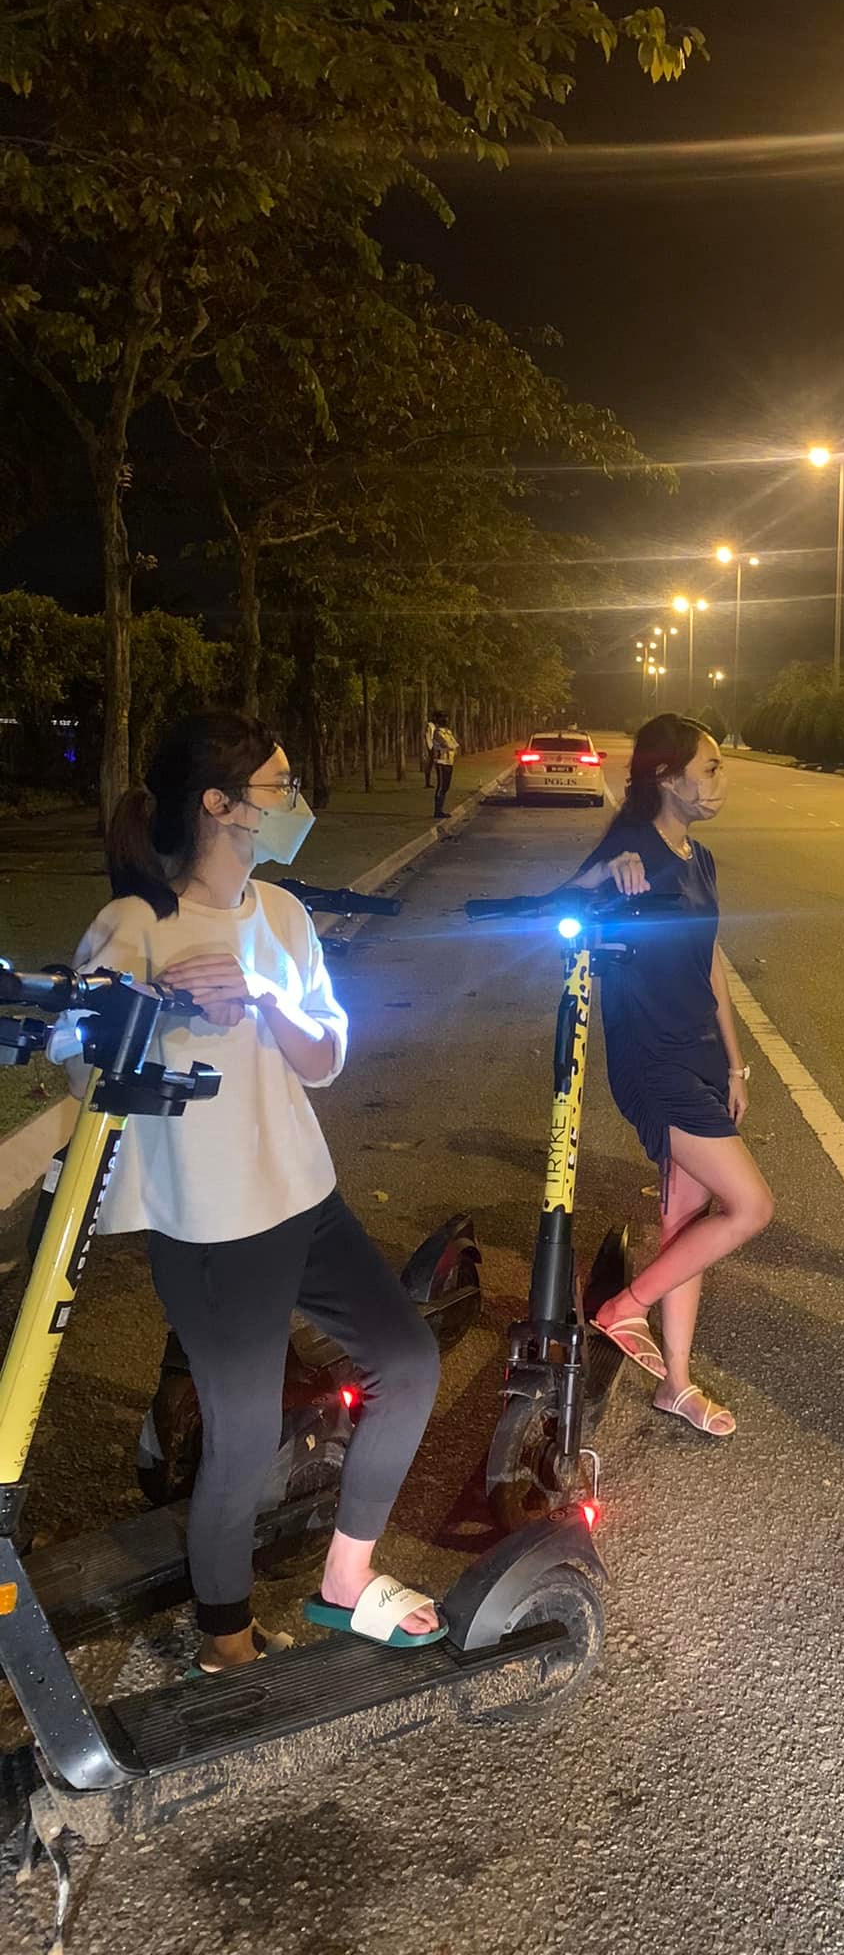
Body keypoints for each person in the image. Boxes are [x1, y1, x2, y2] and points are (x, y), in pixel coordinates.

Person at [70, 711, 444, 1671]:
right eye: (279, 788)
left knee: (407, 1360)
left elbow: (324, 1058)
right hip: (210, 1226)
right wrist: (161, 1012)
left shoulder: (282, 916)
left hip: (304, 1199)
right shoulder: (135, 926)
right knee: (242, 1444)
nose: (295, 804)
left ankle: (346, 1577)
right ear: (219, 804)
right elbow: (81, 1073)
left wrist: (264, 997)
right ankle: (225, 1642)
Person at [570, 714, 773, 1438]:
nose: (721, 780)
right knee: (750, 1207)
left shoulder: (700, 859)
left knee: (683, 1221)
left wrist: (735, 1059)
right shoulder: (632, 851)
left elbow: (710, 962)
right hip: (650, 1058)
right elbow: (563, 910)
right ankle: (625, 1307)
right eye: (710, 767)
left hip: (699, 1055)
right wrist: (599, 881)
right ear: (666, 776)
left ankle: (676, 1386)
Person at [429, 710, 459, 820]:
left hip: (449, 761)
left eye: (446, 717)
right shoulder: (437, 733)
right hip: (441, 762)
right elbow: (448, 744)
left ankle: (441, 809)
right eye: (443, 717)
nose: (445, 720)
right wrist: (451, 746)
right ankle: (437, 811)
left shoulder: (448, 732)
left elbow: (455, 744)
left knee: (446, 786)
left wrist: (451, 746)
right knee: (441, 786)